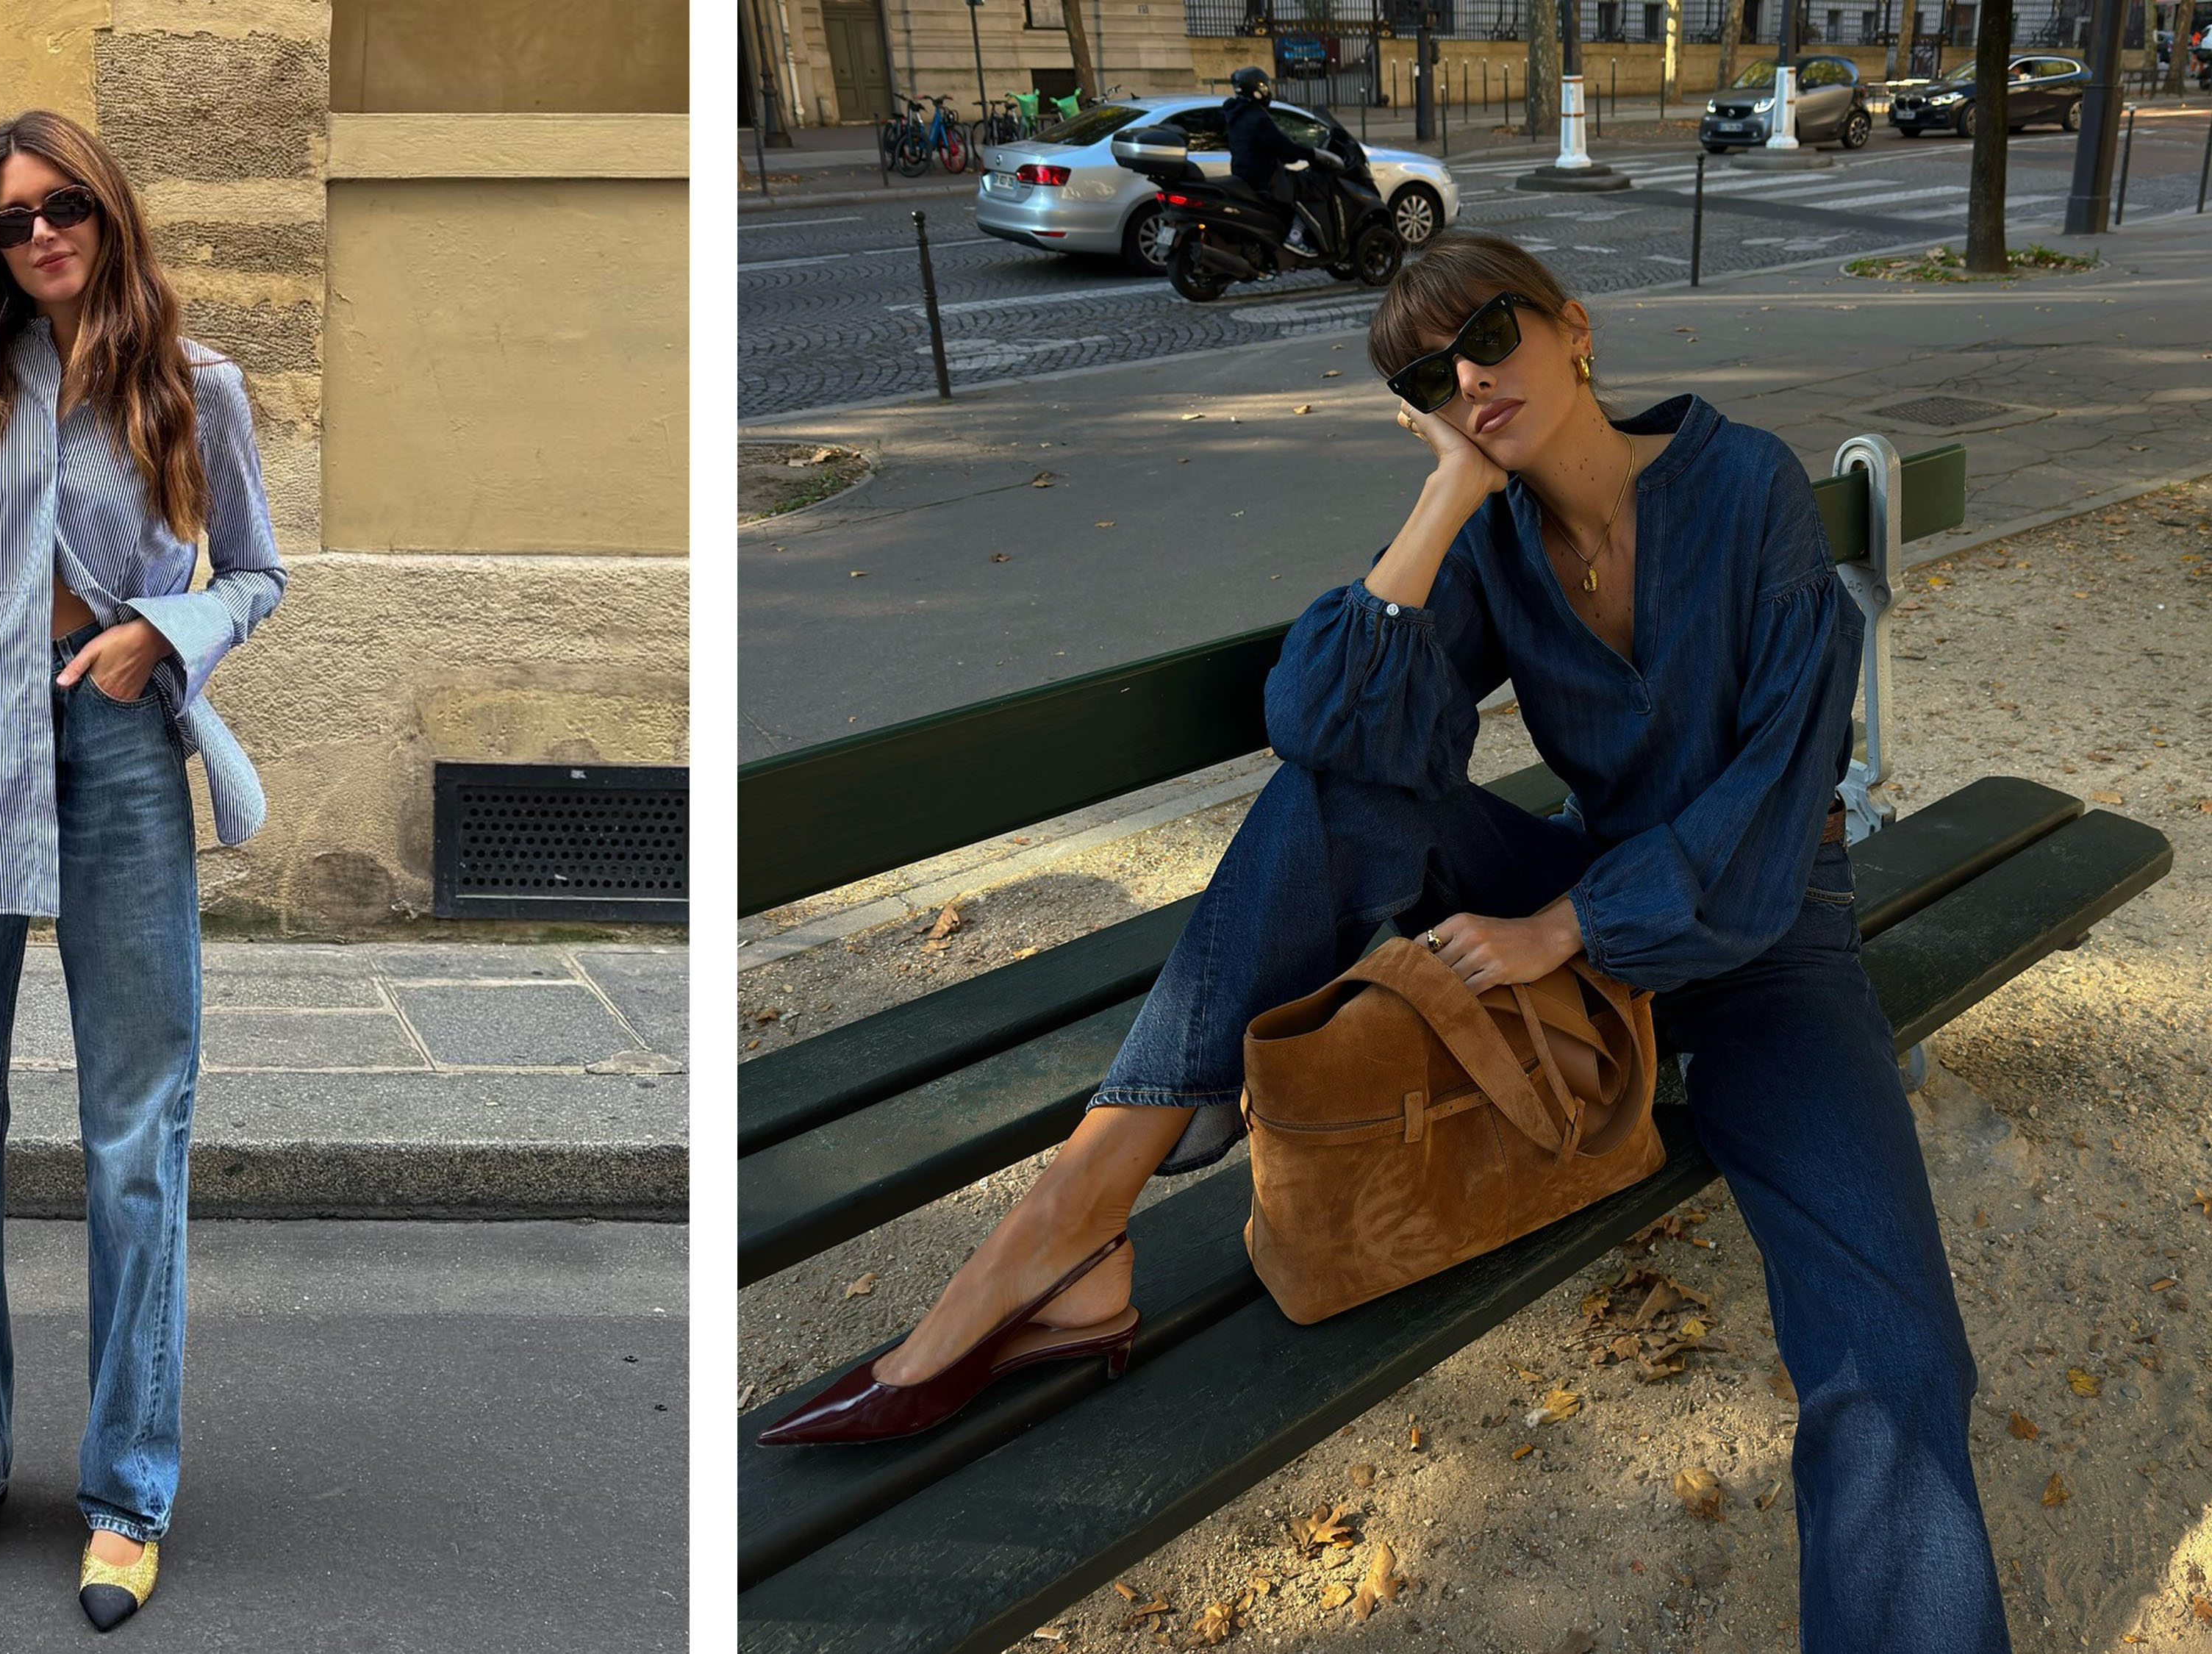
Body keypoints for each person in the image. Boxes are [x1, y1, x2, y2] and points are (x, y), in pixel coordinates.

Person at [756, 229, 2015, 1654]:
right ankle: (1077, 1207)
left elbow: (1779, 796)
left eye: (1489, 334)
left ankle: (1059, 1239)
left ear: (1573, 327)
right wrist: (1446, 493)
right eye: (1427, 373)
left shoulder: (1746, 490)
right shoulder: (1488, 541)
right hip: (1584, 905)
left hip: (1769, 939)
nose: (1470, 374)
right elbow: (1330, 731)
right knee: (1341, 776)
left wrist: (1567, 925)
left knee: (1889, 1354)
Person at [0, 107, 288, 1633]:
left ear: (109, 212)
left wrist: (166, 630)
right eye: (13, 217)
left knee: (134, 1141)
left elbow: (260, 575)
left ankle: (125, 1494)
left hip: (112, 769)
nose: (41, 236)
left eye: (65, 207)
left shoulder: (192, 387)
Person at [1218, 65, 1333, 258]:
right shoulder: (1257, 117)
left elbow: (1265, 144)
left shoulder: (1235, 113)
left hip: (1243, 174)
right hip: (1263, 176)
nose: (1267, 91)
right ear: (1257, 89)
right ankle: (1295, 237)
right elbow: (1282, 145)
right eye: (1265, 87)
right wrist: (1312, 154)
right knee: (1308, 189)